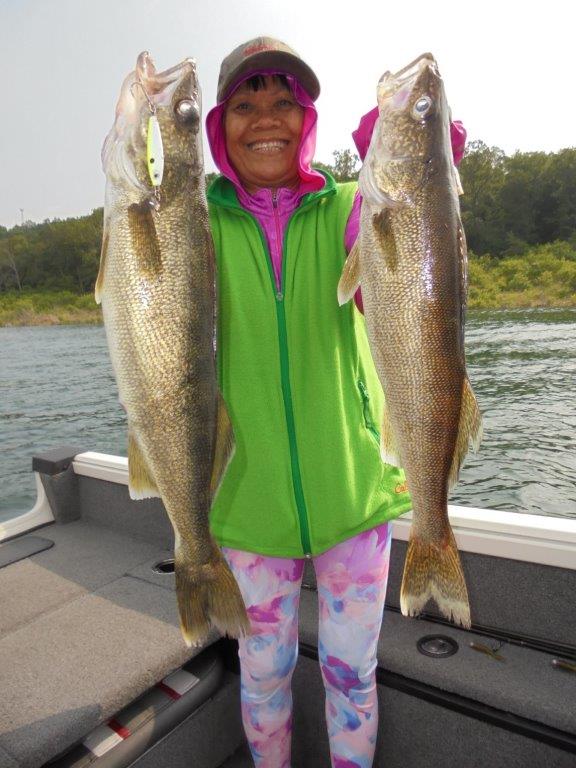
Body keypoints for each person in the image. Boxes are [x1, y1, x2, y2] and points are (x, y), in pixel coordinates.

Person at [204, 37, 465, 768]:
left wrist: (428, 143)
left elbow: (419, 232)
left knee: (352, 676)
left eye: (284, 101)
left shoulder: (356, 207)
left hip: (355, 499)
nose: (267, 118)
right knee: (263, 678)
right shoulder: (200, 225)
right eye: (248, 103)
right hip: (248, 508)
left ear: (307, 118)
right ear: (220, 124)